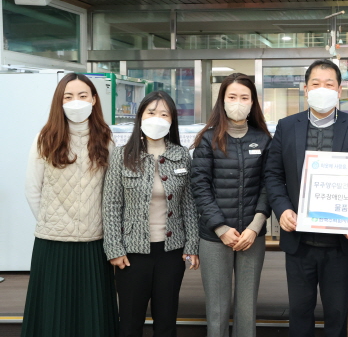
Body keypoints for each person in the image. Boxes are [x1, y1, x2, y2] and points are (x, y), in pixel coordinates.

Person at [265, 59, 348, 337]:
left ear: (339, 91)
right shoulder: (287, 126)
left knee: (337, 315)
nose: (322, 89)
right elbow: (273, 175)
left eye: (329, 84)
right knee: (300, 312)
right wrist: (283, 209)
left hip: (339, 244)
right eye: (316, 83)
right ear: (305, 89)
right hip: (299, 240)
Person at [23, 73, 118, 337]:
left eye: (83, 95)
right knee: (53, 313)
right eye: (68, 96)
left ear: (94, 99)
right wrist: (54, 222)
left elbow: (110, 193)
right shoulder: (45, 139)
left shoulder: (106, 139)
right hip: (52, 242)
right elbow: (33, 190)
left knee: (92, 315)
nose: (76, 102)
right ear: (59, 102)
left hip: (95, 242)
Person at [102, 91, 200, 337]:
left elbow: (189, 204)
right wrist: (114, 248)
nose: (157, 118)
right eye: (151, 113)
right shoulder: (122, 155)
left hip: (171, 252)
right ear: (140, 117)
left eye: (164, 114)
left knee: (166, 321)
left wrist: (192, 245)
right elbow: (112, 204)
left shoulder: (181, 155)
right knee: (130, 322)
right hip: (131, 254)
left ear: (172, 120)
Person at [190, 73, 272, 337]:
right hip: (214, 237)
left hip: (252, 235)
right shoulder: (208, 139)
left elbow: (268, 185)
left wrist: (255, 227)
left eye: (244, 97)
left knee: (247, 306)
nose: (238, 102)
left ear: (253, 102)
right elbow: (200, 186)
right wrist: (220, 227)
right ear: (222, 101)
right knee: (217, 307)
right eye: (232, 97)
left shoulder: (263, 140)